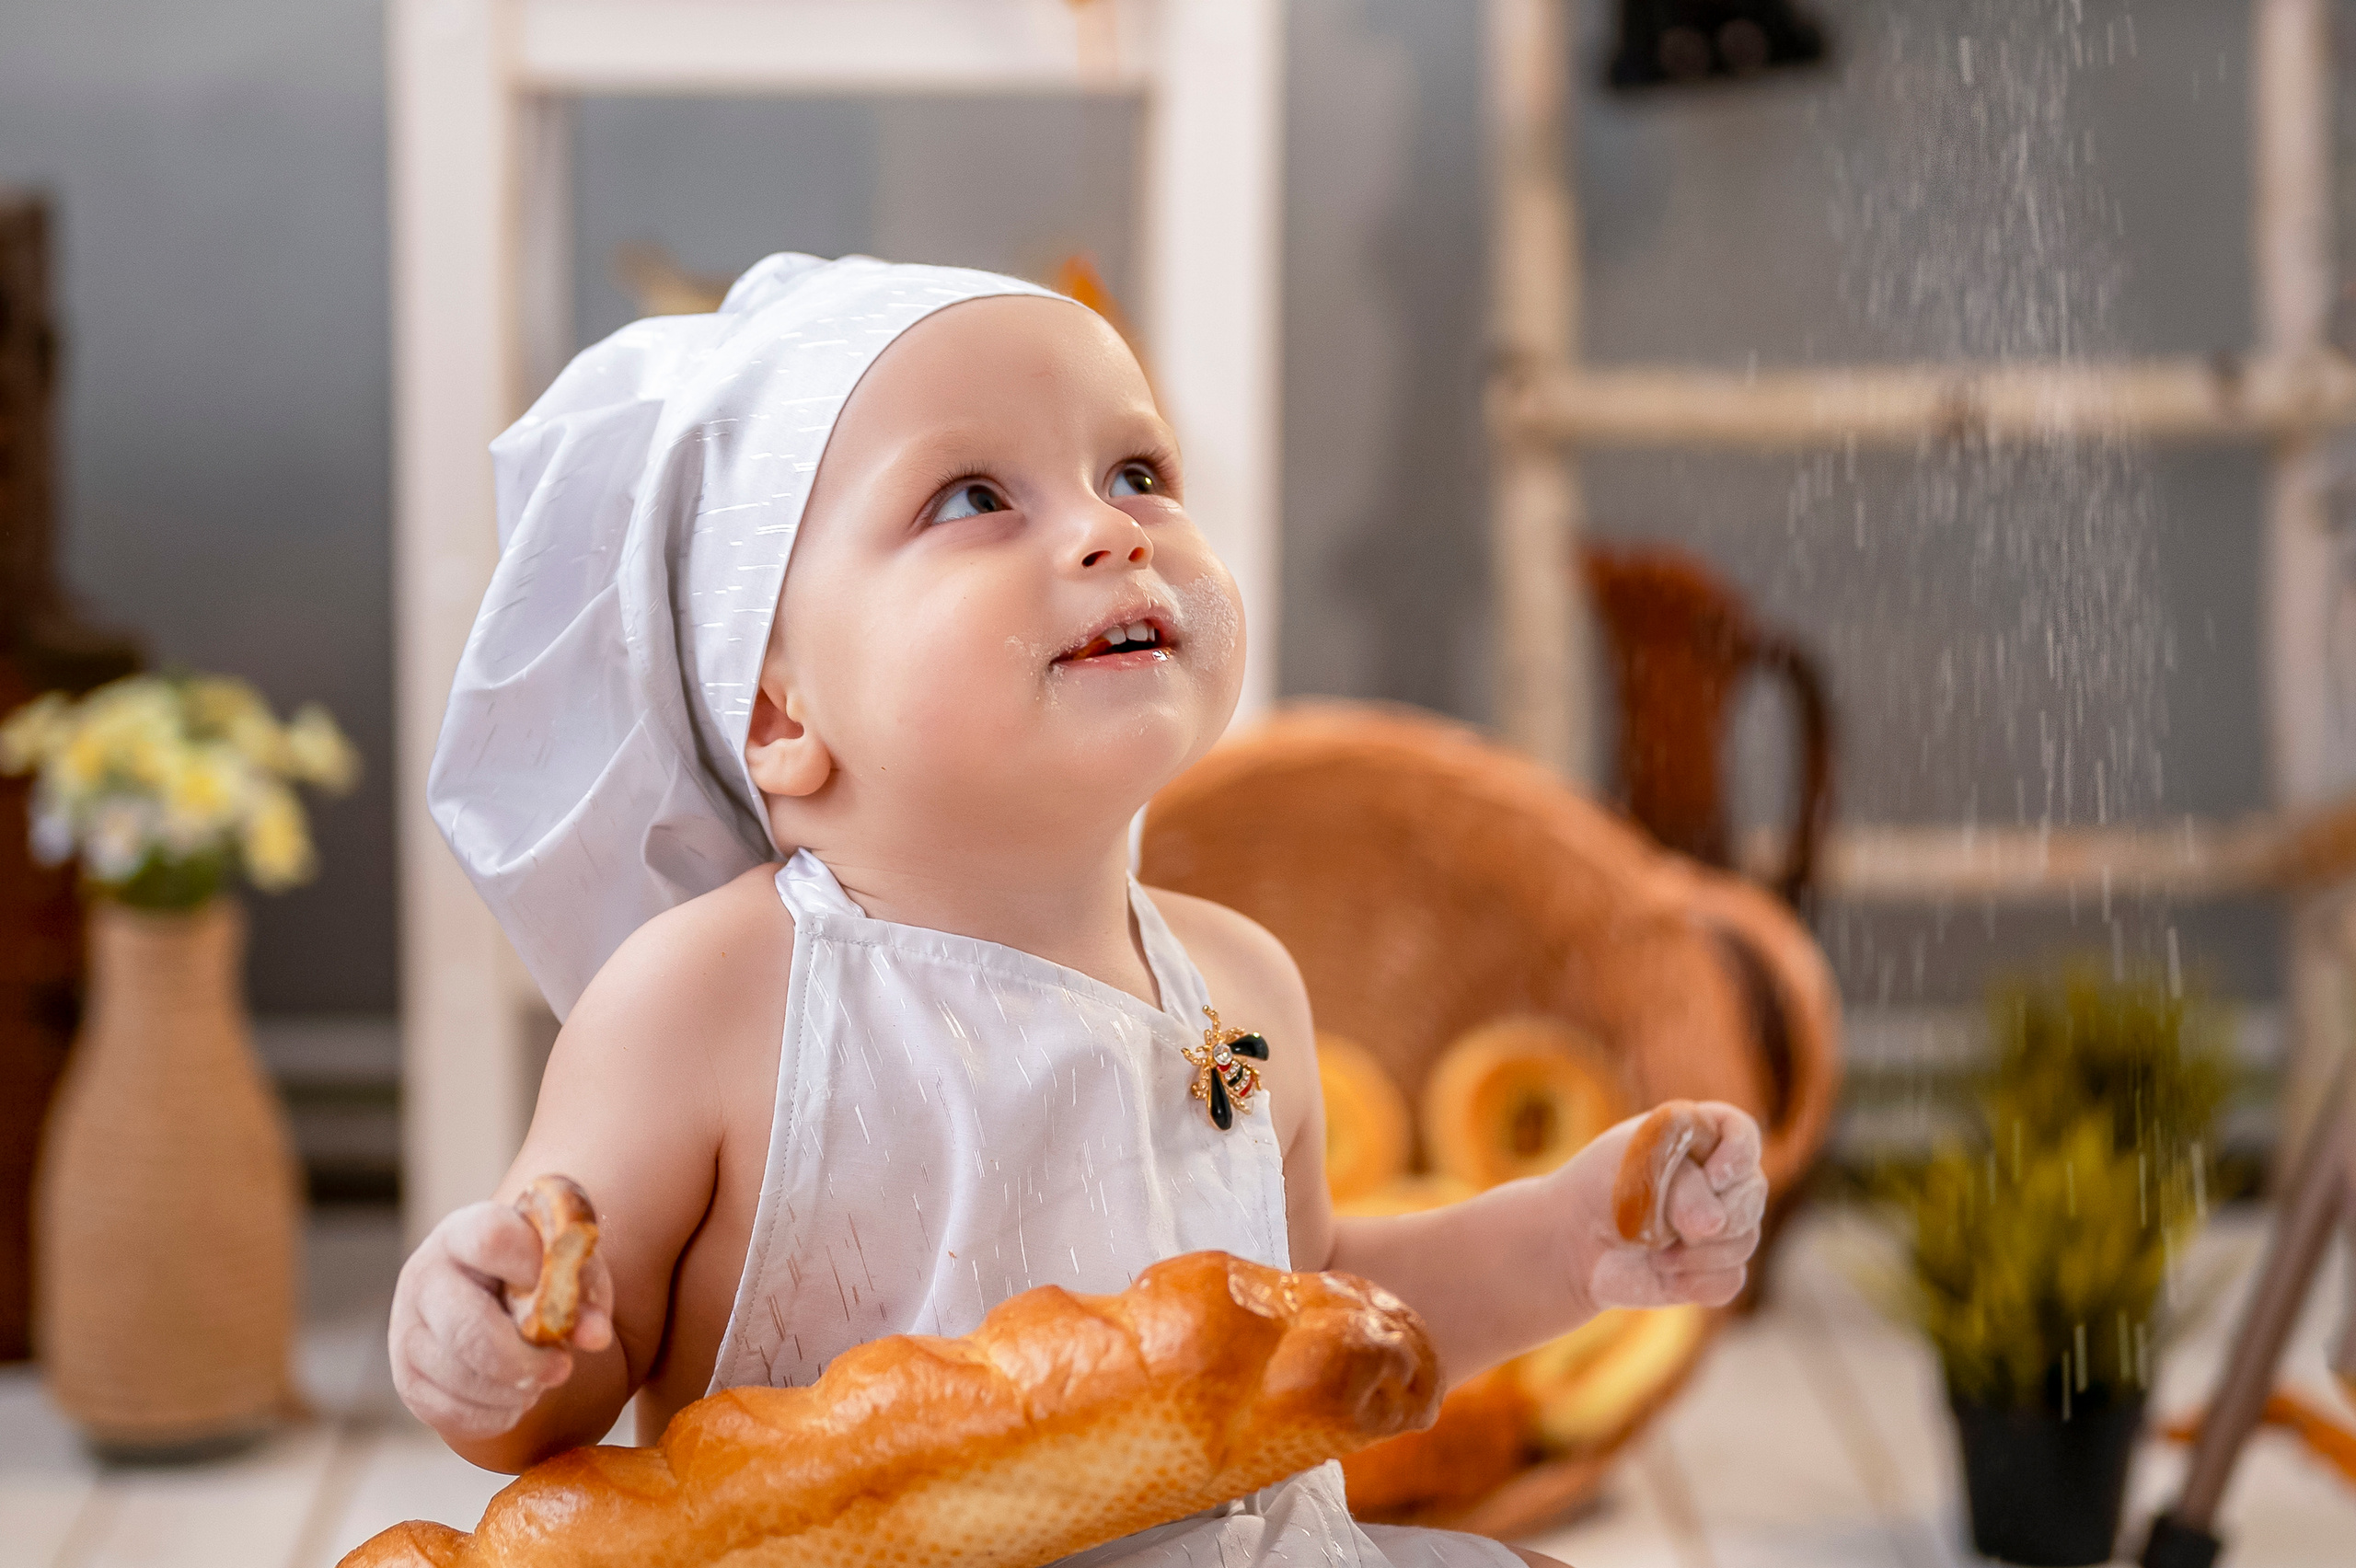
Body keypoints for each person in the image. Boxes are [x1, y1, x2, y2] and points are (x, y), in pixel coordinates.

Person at [397, 255, 1768, 1567]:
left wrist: (1570, 1242)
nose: (1112, 528)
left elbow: (1317, 1320)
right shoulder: (706, 996)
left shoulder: (1240, 985)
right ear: (779, 708)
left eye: (1138, 473)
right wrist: (483, 1341)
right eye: (973, 496)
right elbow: (557, 1367)